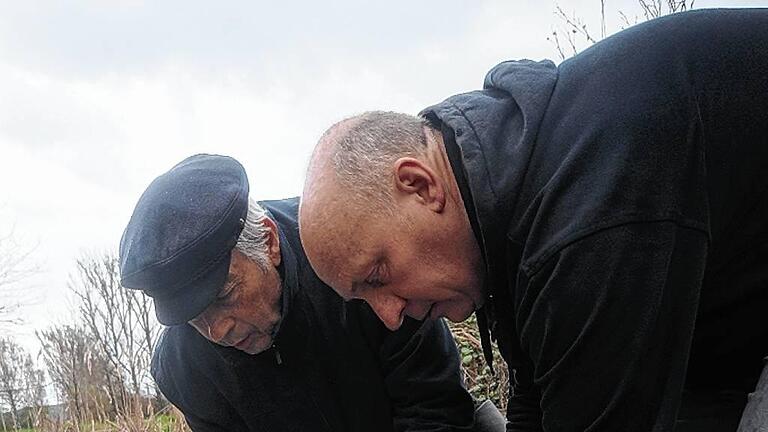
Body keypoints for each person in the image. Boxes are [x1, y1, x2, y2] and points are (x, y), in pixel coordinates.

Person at [299, 9, 768, 432]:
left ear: (421, 186)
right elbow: (535, 397)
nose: (390, 316)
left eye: (378, 275)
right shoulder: (503, 217)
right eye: (363, 300)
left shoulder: (584, 216)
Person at [118, 154, 480, 432]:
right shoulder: (184, 368)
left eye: (224, 296)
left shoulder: (353, 259)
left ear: (269, 240)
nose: (217, 331)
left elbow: (438, 409)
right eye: (193, 317)